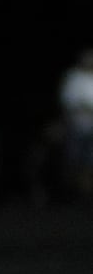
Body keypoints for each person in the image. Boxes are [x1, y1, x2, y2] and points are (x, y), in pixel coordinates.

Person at [57, 47, 93, 201]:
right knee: (73, 158)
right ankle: (70, 192)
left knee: (89, 161)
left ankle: (86, 193)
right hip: (76, 125)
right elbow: (67, 100)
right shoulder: (73, 77)